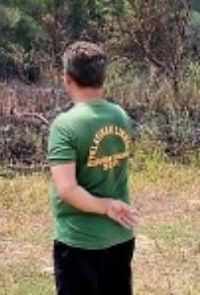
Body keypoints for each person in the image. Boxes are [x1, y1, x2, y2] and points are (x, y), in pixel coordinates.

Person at [47, 41, 140, 295]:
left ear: (67, 78)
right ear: (103, 78)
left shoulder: (64, 126)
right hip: (120, 237)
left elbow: (67, 189)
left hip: (80, 241)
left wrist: (106, 206)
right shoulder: (119, 115)